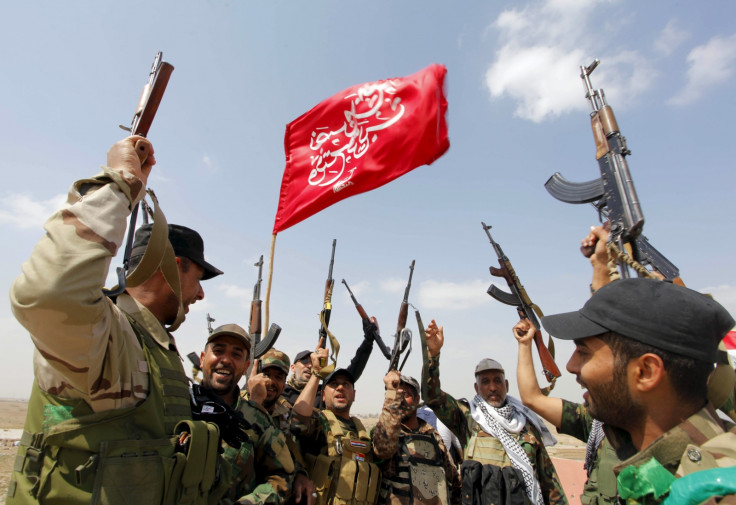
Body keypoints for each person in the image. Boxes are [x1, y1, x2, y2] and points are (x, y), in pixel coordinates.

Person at [7, 136, 228, 505]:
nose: (201, 295)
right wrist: (120, 183)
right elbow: (47, 293)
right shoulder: (107, 337)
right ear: (173, 268)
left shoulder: (152, 343)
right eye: (198, 279)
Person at [541, 278, 736, 505]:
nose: (571, 366)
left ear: (645, 372)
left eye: (584, 352)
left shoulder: (715, 492)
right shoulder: (652, 465)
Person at [423, 320, 567, 505]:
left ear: (506, 385)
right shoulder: (467, 417)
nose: (492, 387)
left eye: (497, 381)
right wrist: (433, 354)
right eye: (485, 382)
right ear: (477, 388)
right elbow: (431, 396)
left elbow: (550, 486)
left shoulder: (525, 423)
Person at [199, 323, 296, 505]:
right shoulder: (176, 405)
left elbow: (283, 475)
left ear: (245, 367)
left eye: (236, 354)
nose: (226, 360)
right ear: (202, 358)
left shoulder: (257, 419)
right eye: (219, 351)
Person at [291, 345, 381, 505]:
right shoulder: (319, 423)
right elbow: (297, 421)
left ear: (354, 395)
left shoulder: (363, 433)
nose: (340, 387)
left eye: (346, 384)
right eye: (333, 384)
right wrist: (317, 374)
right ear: (323, 396)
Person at [372, 372, 461, 505]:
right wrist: (391, 394)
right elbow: (383, 449)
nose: (399, 400)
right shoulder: (385, 434)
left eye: (405, 395)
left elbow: (455, 481)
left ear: (416, 399)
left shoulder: (433, 436)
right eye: (396, 395)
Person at [243, 348, 316, 504]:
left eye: (278, 377)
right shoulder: (238, 405)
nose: (271, 382)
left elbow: (290, 454)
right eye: (266, 374)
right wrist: (255, 402)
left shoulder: (285, 414)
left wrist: (300, 474)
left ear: (284, 384)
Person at [282, 317, 381, 406]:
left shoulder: (322, 393)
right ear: (293, 367)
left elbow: (352, 373)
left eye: (313, 362)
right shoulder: (281, 391)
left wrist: (368, 341)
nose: (309, 366)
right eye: (304, 361)